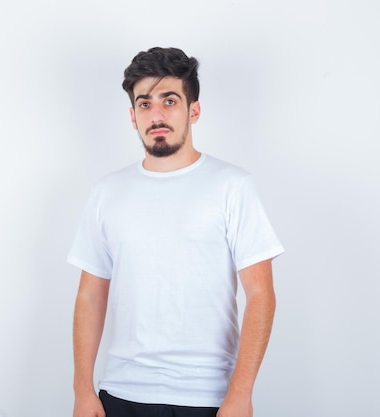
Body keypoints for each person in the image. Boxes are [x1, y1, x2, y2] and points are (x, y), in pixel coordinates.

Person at [68, 47, 284, 417]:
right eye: (144, 104)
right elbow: (90, 295)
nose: (156, 115)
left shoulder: (233, 186)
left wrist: (240, 394)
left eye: (169, 101)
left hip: (208, 396)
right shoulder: (107, 192)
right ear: (133, 116)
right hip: (121, 392)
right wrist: (83, 390)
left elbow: (260, 295)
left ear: (193, 110)